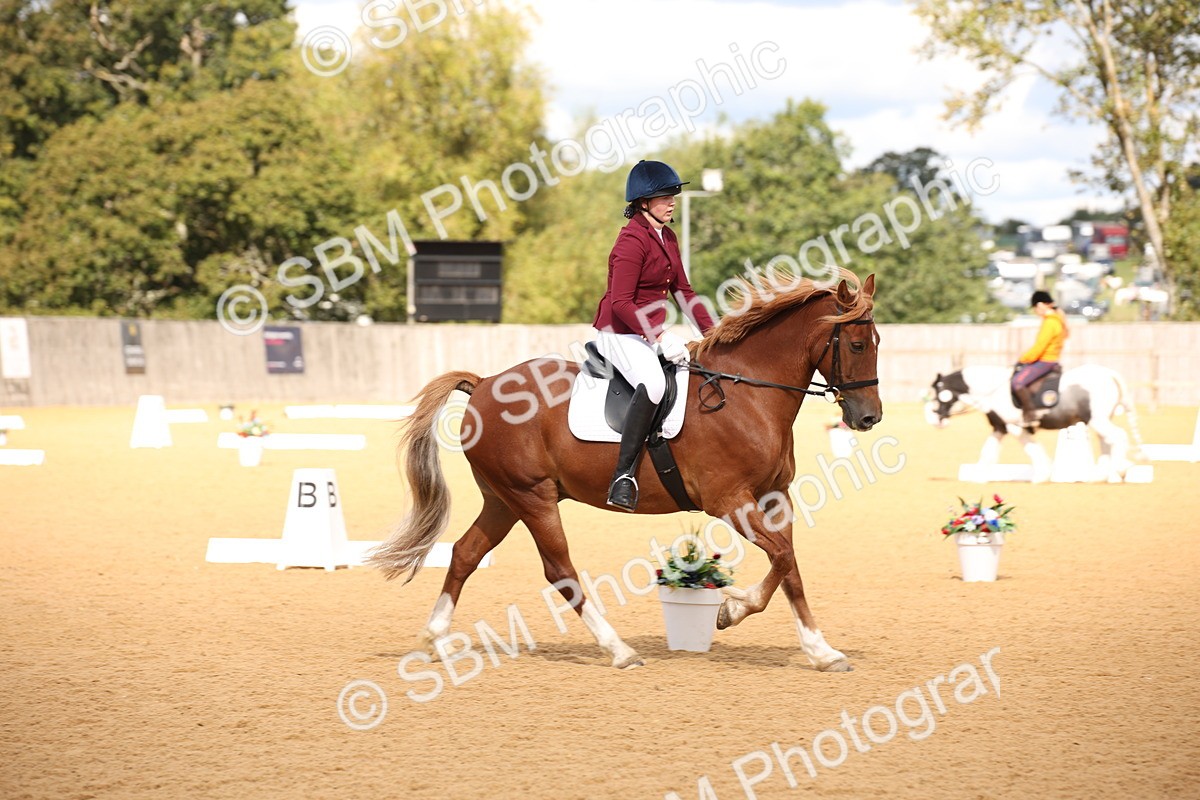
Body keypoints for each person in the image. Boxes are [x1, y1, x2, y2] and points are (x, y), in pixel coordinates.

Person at [592, 160, 717, 512]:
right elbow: (620, 303)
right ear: (643, 202)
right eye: (664, 195)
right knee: (655, 383)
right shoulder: (631, 241)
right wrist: (659, 335)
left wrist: (716, 336)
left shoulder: (667, 236)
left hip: (646, 334)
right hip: (619, 332)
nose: (672, 200)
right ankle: (623, 476)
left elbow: (685, 293)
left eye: (674, 194)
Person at [1012, 290, 1069, 423]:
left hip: (1045, 360)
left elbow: (1040, 346)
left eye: (1035, 308)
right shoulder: (1057, 320)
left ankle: (1031, 414)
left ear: (1040, 305)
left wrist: (1023, 359)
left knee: (1017, 382)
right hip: (1049, 359)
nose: (1035, 312)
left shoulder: (1050, 322)